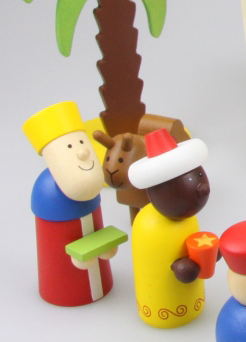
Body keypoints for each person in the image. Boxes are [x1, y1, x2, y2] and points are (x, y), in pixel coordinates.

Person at [23, 101, 119, 306]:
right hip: (61, 283)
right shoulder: (46, 189)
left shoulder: (88, 184)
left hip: (94, 260)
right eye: (70, 146)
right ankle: (65, 293)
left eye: (82, 143)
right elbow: (55, 242)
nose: (83, 153)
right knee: (65, 279)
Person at [128, 129, 212, 327]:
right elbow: (170, 267)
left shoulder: (189, 220)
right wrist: (182, 267)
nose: (203, 187)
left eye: (198, 175)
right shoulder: (147, 225)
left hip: (190, 303)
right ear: (160, 191)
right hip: (161, 307)